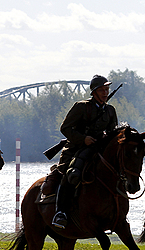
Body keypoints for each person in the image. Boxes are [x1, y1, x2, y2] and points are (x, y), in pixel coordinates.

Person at [52, 75, 118, 229]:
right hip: (76, 148)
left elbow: (112, 132)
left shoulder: (110, 110)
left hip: (97, 149)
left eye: (107, 89)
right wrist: (84, 139)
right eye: (101, 90)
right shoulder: (81, 107)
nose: (105, 92)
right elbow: (65, 128)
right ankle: (60, 212)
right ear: (94, 92)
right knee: (70, 173)